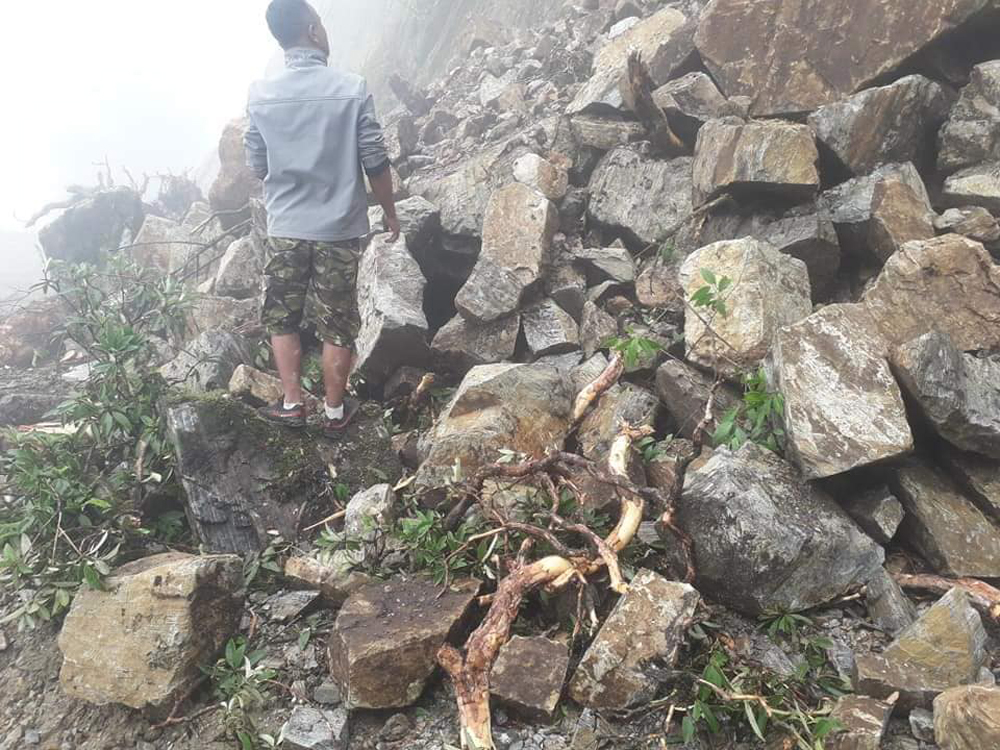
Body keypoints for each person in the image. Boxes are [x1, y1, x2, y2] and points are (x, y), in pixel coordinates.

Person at [244, 0, 400, 435]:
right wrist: (390, 213)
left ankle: (292, 404)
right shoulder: (352, 88)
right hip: (339, 228)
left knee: (282, 316)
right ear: (313, 31)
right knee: (338, 320)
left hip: (285, 227)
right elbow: (375, 161)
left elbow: (257, 164)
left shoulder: (260, 95)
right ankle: (334, 412)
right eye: (321, 24)